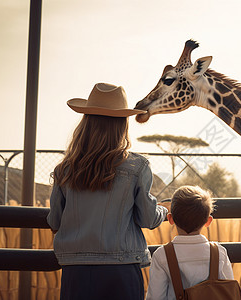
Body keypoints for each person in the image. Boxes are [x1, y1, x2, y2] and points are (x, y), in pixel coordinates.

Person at [47, 82, 168, 300]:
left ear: (86, 123)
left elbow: (55, 222)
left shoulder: (64, 170)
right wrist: (164, 210)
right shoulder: (137, 167)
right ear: (122, 124)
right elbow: (148, 219)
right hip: (121, 270)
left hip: (76, 271)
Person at [146, 185, 235, 300]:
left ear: (170, 219)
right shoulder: (219, 253)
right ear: (208, 221)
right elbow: (229, 292)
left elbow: (155, 297)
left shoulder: (162, 255)